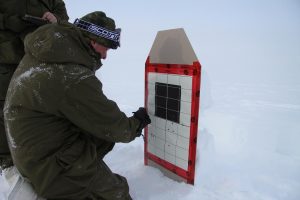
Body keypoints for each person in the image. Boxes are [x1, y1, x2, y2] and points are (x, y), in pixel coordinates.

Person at [4, 11, 151, 200]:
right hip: (48, 169)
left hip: (30, 154)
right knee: (118, 192)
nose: (105, 56)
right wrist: (137, 123)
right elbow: (115, 127)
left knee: (97, 135)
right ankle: (73, 186)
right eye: (105, 47)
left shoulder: (51, 50)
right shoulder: (71, 75)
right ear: (92, 40)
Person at [0, 0, 69, 171]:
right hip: (6, 60)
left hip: (40, 60)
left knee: (40, 109)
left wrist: (56, 20)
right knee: (5, 109)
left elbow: (65, 21)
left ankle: (38, 155)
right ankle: (6, 160)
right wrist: (8, 21)